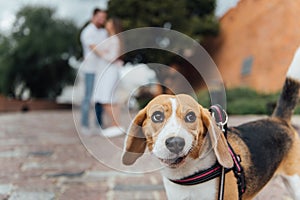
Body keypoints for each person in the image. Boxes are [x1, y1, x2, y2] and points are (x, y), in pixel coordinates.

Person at [91, 18, 124, 137]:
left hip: (110, 72)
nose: (107, 24)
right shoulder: (111, 39)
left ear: (113, 25)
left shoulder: (114, 39)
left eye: (109, 22)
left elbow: (112, 57)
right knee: (111, 99)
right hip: (108, 72)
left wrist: (97, 51)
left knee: (105, 99)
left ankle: (116, 124)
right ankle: (115, 125)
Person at [80, 8, 107, 135]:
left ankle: (98, 125)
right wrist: (106, 55)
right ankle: (85, 125)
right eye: (100, 17)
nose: (102, 20)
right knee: (88, 97)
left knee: (99, 98)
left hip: (101, 70)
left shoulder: (103, 32)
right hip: (90, 69)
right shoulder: (87, 31)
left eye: (104, 17)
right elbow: (94, 48)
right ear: (94, 17)